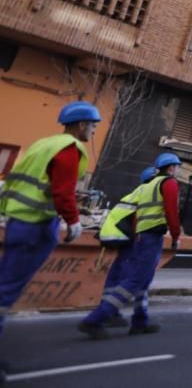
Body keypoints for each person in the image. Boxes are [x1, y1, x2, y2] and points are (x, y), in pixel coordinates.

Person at [0, 101, 101, 338]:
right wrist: (73, 221)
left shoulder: (43, 144)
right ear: (81, 124)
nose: (94, 131)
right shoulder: (69, 148)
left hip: (18, 221)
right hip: (36, 226)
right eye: (93, 126)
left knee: (5, 281)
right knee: (7, 290)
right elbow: (62, 191)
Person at [78, 153, 182, 339]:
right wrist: (175, 235)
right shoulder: (169, 183)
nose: (178, 170)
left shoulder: (147, 186)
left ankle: (140, 321)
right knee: (135, 280)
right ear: (172, 168)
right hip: (151, 236)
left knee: (143, 279)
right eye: (177, 167)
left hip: (141, 235)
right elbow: (171, 211)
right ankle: (96, 319)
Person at [94, 165, 159, 330]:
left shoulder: (134, 192)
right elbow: (138, 218)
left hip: (120, 238)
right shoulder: (148, 194)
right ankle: (108, 314)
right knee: (135, 279)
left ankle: (126, 315)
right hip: (133, 241)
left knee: (118, 276)